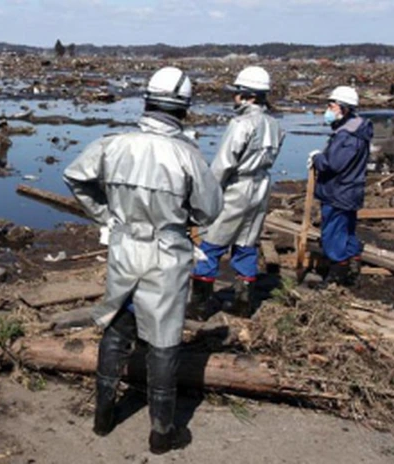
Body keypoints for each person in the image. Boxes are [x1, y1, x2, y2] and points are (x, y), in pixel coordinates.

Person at [63, 66, 223, 454]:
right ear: (183, 108)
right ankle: (162, 432)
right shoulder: (187, 155)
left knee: (118, 324)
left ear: (147, 101)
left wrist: (106, 214)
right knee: (164, 340)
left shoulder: (113, 144)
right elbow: (210, 210)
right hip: (167, 253)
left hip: (124, 248)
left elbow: (75, 176)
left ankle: (103, 418)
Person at [189, 66, 284, 318]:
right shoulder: (274, 124)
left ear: (247, 95)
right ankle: (244, 304)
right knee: (246, 243)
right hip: (261, 186)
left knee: (211, 243)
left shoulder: (241, 124)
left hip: (237, 188)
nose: (234, 97)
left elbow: (223, 164)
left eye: (237, 92)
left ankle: (199, 307)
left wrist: (206, 194)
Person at [307, 86, 373, 287]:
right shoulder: (356, 130)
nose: (328, 110)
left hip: (339, 191)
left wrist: (317, 158)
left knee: (333, 234)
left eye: (331, 106)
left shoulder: (347, 135)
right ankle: (352, 266)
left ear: (343, 108)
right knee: (347, 231)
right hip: (349, 189)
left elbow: (333, 164)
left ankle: (337, 277)